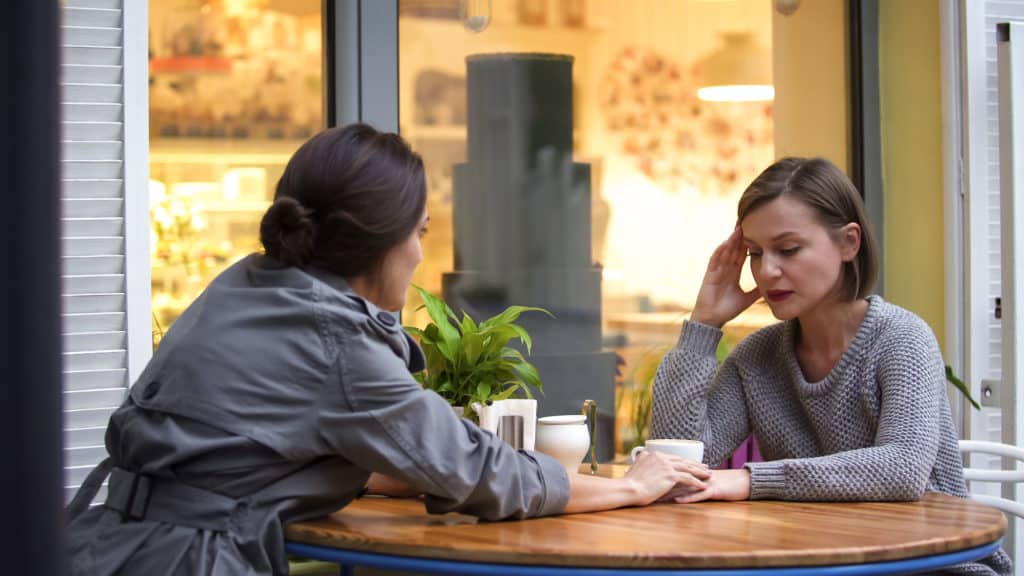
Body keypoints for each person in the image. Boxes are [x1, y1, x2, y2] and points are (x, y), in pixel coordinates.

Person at [65, 124, 709, 576]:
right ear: (385, 241)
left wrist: (403, 466)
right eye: (421, 231)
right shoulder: (340, 345)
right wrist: (632, 485)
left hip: (103, 542)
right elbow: (489, 475)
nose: (424, 252)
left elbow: (254, 443)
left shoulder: (245, 283)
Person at [649, 157, 1011, 575]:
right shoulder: (757, 358)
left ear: (848, 243)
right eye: (754, 253)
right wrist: (704, 323)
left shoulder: (902, 339)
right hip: (822, 565)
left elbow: (902, 469)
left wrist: (752, 480)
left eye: (788, 249)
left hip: (933, 569)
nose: (766, 271)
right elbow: (678, 465)